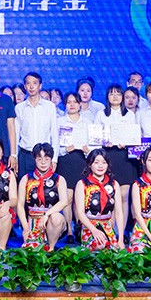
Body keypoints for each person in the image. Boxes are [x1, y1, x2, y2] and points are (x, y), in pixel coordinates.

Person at [94, 83, 137, 226]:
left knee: (124, 196)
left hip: (124, 157)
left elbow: (134, 137)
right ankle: (110, 230)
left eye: (118, 93)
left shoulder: (129, 115)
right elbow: (95, 137)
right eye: (112, 93)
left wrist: (127, 142)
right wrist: (103, 142)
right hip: (108, 156)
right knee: (110, 195)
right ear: (107, 96)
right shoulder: (101, 114)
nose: (115, 96)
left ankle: (122, 231)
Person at [54, 91, 91, 243]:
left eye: (75, 102)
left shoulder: (87, 122)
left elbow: (94, 145)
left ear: (80, 104)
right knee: (67, 198)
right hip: (66, 161)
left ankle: (80, 228)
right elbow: (55, 144)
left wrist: (88, 150)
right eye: (69, 102)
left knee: (81, 198)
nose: (72, 105)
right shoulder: (59, 122)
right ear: (65, 104)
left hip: (82, 161)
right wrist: (64, 149)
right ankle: (69, 230)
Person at [17, 143, 68, 249]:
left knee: (56, 217)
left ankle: (51, 247)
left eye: (47, 158)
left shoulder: (59, 179)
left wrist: (46, 214)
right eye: (39, 159)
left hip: (51, 220)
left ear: (51, 159)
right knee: (31, 249)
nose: (43, 162)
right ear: (34, 159)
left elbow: (64, 201)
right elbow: (20, 205)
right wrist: (25, 228)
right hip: (33, 220)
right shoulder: (26, 179)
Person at [74, 148, 124, 250]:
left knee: (115, 251)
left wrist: (121, 239)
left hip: (107, 226)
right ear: (90, 164)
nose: (100, 166)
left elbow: (119, 213)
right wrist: (94, 230)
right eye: (96, 162)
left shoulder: (114, 184)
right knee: (100, 244)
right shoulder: (82, 184)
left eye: (104, 162)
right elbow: (80, 213)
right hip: (89, 226)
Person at [15, 71, 58, 179]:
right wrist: (14, 157)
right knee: (24, 187)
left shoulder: (49, 106)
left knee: (45, 187)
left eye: (34, 83)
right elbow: (16, 135)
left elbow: (54, 134)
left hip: (45, 156)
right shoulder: (19, 108)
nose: (31, 86)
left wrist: (54, 159)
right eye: (28, 83)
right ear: (25, 86)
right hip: (25, 155)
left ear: (40, 85)